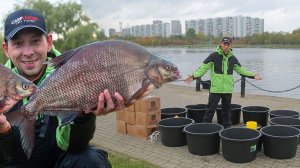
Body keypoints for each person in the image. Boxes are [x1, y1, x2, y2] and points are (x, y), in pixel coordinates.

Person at [0, 9, 125, 168]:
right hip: (12, 162)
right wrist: (4, 132)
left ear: (49, 43)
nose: (28, 52)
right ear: (6, 49)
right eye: (18, 43)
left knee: (91, 159)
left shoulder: (72, 77)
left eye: (36, 41)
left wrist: (83, 115)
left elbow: (73, 146)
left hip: (58, 161)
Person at [185, 37, 262, 128]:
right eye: (224, 44)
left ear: (230, 46)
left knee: (227, 111)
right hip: (215, 89)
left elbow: (241, 70)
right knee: (210, 110)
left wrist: (253, 75)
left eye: (228, 44)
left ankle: (226, 129)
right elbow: (202, 69)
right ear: (221, 44)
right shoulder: (213, 56)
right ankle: (205, 128)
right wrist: (193, 76)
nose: (226, 46)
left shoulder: (232, 58)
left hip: (227, 89)